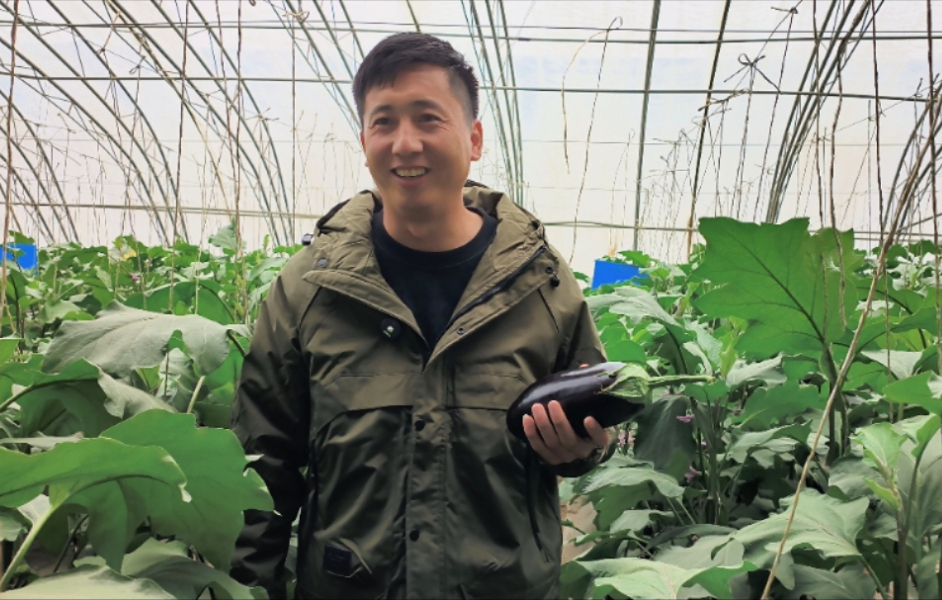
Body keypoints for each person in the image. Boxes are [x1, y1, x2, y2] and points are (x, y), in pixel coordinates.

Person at [230, 32, 612, 599]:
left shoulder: (543, 283)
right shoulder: (308, 287)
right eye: (384, 122)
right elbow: (259, 469)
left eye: (428, 119)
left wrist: (583, 450)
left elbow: (593, 420)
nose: (405, 144)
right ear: (365, 142)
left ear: (474, 139)